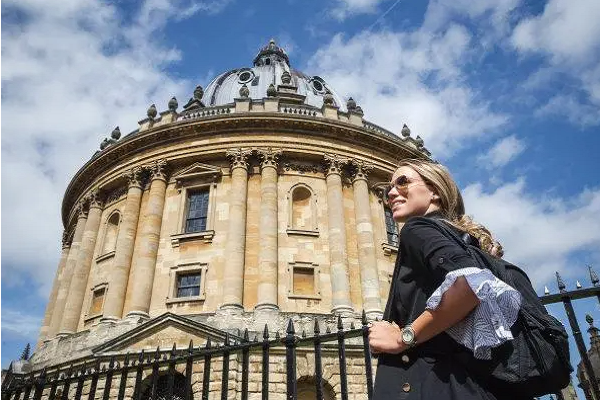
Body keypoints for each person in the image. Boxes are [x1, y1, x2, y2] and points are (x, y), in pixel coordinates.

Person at [369, 158, 526, 399]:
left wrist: (404, 337)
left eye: (402, 182)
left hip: (434, 383)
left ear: (435, 191)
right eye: (388, 187)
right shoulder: (462, 238)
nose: (391, 192)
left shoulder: (417, 229)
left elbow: (470, 285)